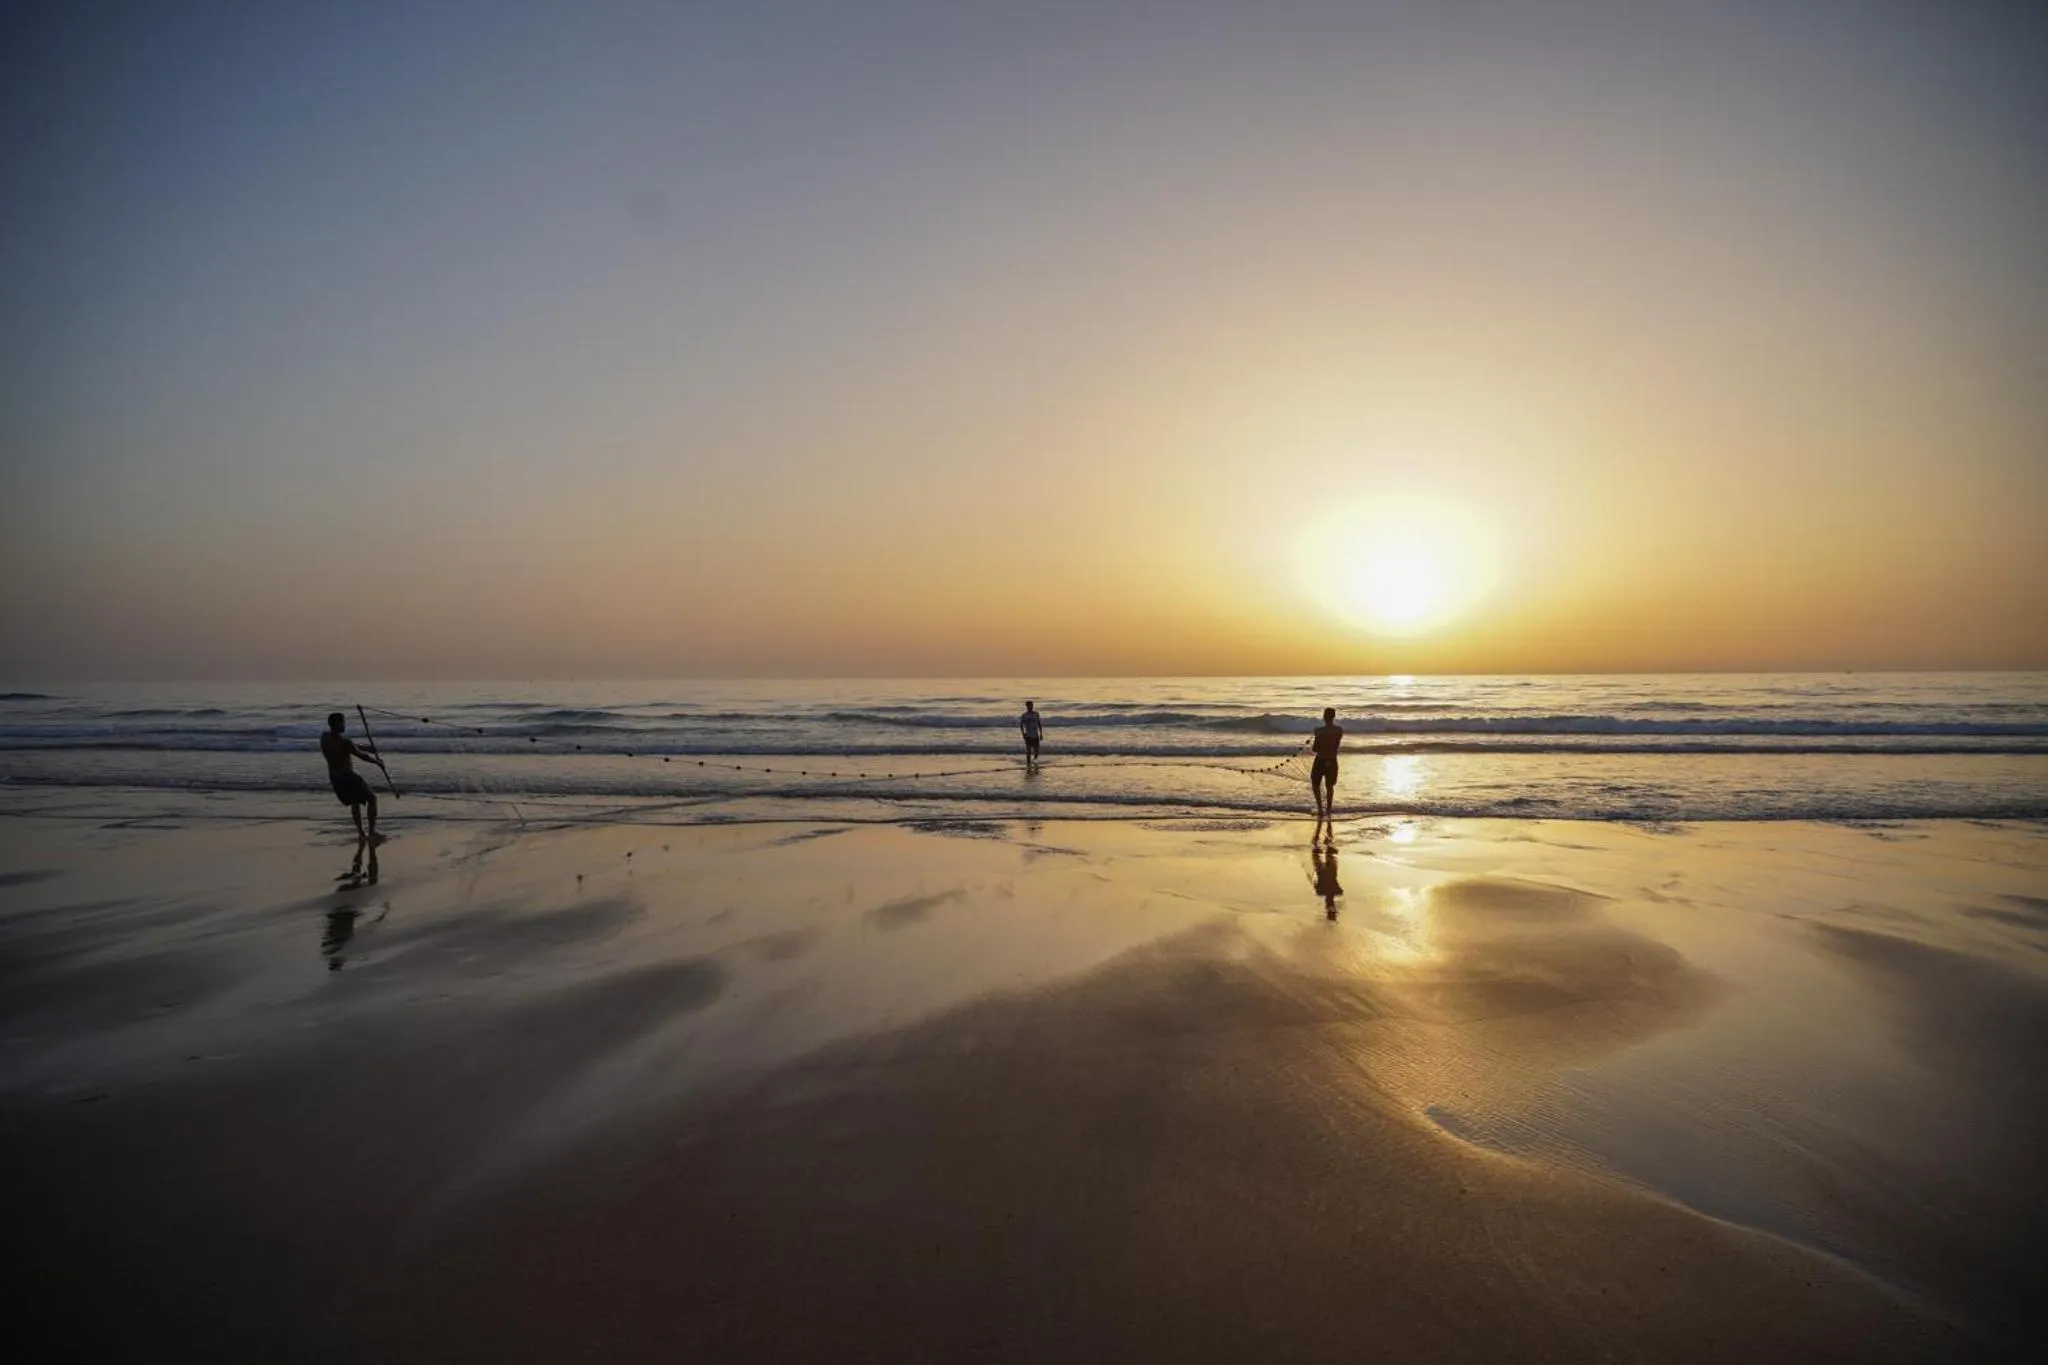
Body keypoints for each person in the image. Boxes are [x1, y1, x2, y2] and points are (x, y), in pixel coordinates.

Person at [320, 712, 386, 841]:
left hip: (335, 778)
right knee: (372, 799)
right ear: (337, 724)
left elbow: (351, 747)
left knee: (355, 802)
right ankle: (372, 832)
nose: (344, 725)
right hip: (348, 777)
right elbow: (361, 756)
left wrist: (367, 748)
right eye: (342, 722)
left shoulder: (325, 737)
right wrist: (378, 762)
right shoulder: (345, 742)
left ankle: (361, 833)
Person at [1309, 706, 1343, 822]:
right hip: (1332, 760)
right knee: (1329, 786)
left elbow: (1315, 748)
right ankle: (1328, 809)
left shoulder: (1318, 731)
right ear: (1334, 717)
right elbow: (1335, 744)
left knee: (1315, 784)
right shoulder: (1339, 730)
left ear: (1324, 717)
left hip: (1320, 760)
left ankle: (1320, 808)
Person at [1311, 840, 1342, 921]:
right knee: (1317, 852)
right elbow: (1315, 883)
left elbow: (1339, 890)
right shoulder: (1321, 892)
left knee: (1328, 850)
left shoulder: (1337, 891)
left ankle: (1326, 837)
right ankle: (1320, 839)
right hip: (1322, 871)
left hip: (1330, 871)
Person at [1019, 700, 1044, 765]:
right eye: (1029, 705)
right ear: (1026, 706)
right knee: (1028, 751)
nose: (1031, 706)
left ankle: (1034, 761)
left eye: (1032, 705)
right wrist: (1023, 734)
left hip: (1036, 735)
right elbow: (1021, 725)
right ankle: (1028, 764)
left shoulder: (1036, 714)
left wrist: (1041, 734)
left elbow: (1039, 724)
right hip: (1028, 735)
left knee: (1036, 752)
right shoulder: (1024, 715)